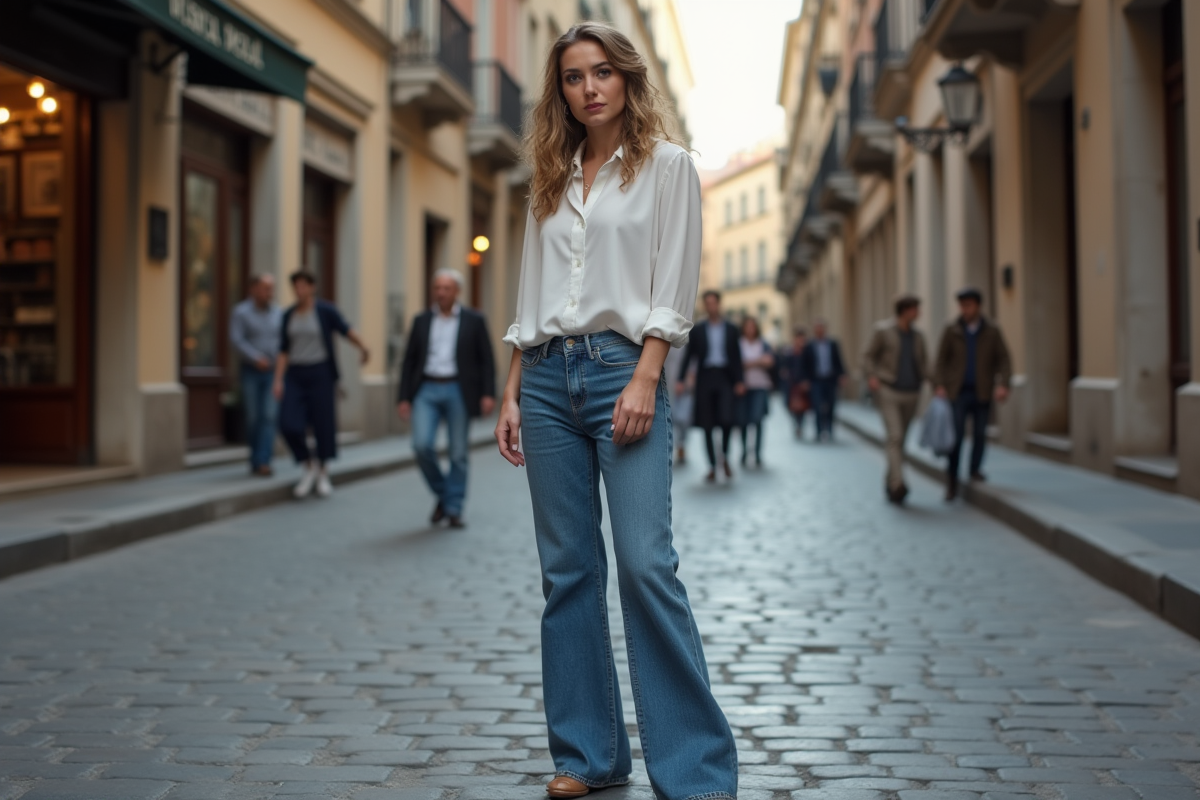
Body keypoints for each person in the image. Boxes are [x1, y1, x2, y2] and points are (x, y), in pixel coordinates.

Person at [493, 22, 737, 800]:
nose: (589, 88)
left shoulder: (668, 167)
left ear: (628, 78)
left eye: (602, 72)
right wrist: (512, 389)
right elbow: (530, 291)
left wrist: (646, 376)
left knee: (644, 563)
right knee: (567, 571)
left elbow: (674, 282)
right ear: (560, 92)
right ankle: (587, 755)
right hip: (544, 379)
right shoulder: (550, 175)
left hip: (621, 371)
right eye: (573, 77)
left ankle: (695, 770)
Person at [397, 269, 496, 528]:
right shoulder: (421, 320)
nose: (440, 292)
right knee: (421, 446)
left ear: (457, 291)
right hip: (426, 389)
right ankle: (445, 494)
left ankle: (453, 508)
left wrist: (488, 393)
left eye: (446, 288)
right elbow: (409, 361)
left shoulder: (474, 320)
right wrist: (404, 397)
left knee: (458, 452)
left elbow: (486, 359)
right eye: (437, 288)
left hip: (458, 390)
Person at [273, 271, 370, 499]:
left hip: (321, 372)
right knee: (288, 423)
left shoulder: (326, 311)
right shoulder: (288, 315)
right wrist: (278, 380)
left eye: (303, 286)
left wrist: (363, 347)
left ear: (312, 287)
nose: (299, 291)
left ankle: (323, 472)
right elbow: (283, 350)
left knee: (323, 424)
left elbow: (346, 330)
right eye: (296, 286)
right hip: (295, 374)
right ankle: (308, 465)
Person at [934, 287, 1012, 501]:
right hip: (957, 393)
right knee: (956, 436)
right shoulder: (952, 329)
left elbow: (1004, 359)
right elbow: (940, 360)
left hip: (982, 391)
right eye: (962, 305)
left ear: (978, 306)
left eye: (968, 305)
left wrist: (1003, 384)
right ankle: (952, 481)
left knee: (979, 433)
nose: (965, 309)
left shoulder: (992, 330)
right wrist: (939, 384)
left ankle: (974, 469)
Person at [863, 295, 930, 504]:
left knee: (900, 441)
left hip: (912, 393)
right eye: (916, 309)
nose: (918, 313)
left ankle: (889, 480)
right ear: (905, 310)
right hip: (889, 390)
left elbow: (924, 363)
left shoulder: (918, 336)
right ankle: (898, 484)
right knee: (895, 436)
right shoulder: (883, 331)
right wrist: (872, 376)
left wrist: (937, 384)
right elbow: (868, 356)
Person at [677, 290, 745, 481]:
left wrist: (740, 381)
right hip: (705, 377)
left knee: (726, 419)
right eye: (707, 303)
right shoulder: (698, 329)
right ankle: (712, 466)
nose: (711, 306)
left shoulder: (731, 329)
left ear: (719, 304)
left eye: (713, 303)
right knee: (707, 423)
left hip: (725, 377)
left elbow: (737, 357)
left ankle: (724, 457)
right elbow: (689, 356)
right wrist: (681, 380)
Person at [230, 274, 282, 476]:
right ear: (253, 289)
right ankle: (255, 458)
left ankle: (264, 461)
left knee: (269, 415)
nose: (269, 292)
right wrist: (255, 358)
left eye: (271, 288)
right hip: (250, 370)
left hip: (273, 371)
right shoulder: (241, 312)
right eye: (265, 288)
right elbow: (236, 340)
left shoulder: (278, 313)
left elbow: (283, 340)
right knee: (253, 417)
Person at [736, 316, 774, 467]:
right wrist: (758, 361)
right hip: (744, 387)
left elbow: (770, 361)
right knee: (743, 421)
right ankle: (744, 451)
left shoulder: (763, 344)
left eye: (753, 326)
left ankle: (758, 453)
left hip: (760, 386)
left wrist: (749, 363)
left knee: (758, 419)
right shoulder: (738, 343)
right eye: (748, 326)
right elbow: (737, 363)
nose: (750, 329)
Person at [800, 319, 846, 440]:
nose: (819, 330)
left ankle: (829, 429)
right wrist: (804, 380)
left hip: (830, 379)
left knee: (831, 405)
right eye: (817, 328)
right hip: (816, 380)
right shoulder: (809, 345)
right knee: (817, 405)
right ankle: (819, 430)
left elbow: (838, 360)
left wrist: (842, 375)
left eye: (821, 328)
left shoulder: (833, 344)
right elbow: (804, 364)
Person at [664, 342, 694, 465]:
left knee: (683, 418)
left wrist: (688, 381)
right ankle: (671, 445)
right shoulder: (663, 341)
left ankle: (681, 444)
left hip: (683, 385)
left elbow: (692, 363)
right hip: (666, 384)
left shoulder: (685, 343)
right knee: (669, 416)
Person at [779, 325, 810, 439]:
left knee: (802, 407)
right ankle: (796, 423)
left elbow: (810, 368)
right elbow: (783, 366)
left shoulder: (807, 352)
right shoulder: (789, 352)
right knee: (790, 405)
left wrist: (806, 381)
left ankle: (799, 425)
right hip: (791, 384)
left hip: (803, 383)